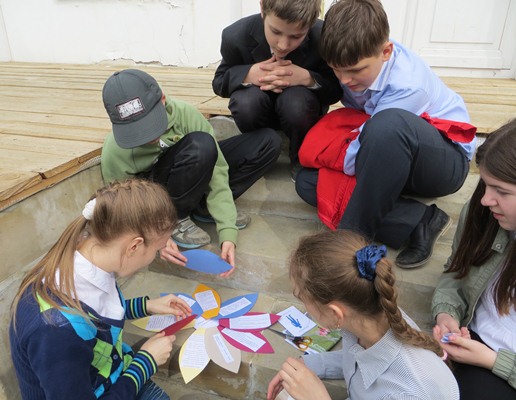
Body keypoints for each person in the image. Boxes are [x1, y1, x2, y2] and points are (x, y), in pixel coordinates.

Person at [295, 0, 477, 268]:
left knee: (386, 125)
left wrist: (335, 160)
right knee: (308, 182)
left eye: (355, 70)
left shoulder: (409, 85)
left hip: (442, 162)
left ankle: (351, 244)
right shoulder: (353, 60)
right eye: (336, 69)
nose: (344, 80)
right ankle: (420, 220)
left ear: (386, 51)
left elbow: (364, 149)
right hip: (388, 154)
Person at [9, 179, 193, 399]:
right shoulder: (55, 332)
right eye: (157, 249)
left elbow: (94, 317)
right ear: (134, 246)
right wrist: (145, 363)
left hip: (112, 377)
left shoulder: (89, 256)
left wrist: (145, 306)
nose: (154, 257)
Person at [101, 69, 281, 263]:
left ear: (162, 100)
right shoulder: (115, 149)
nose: (148, 135)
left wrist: (227, 229)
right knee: (198, 147)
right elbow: (123, 205)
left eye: (151, 123)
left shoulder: (185, 115)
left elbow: (217, 172)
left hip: (191, 168)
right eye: (136, 131)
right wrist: (157, 234)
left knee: (266, 142)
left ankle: (206, 208)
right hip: (157, 196)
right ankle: (175, 219)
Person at [267, 230, 459, 400]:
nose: (304, 306)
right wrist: (309, 364)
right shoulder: (369, 316)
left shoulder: (408, 393)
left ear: (335, 313)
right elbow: (358, 359)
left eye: (301, 297)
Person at [432, 118, 516, 399]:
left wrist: (492, 361)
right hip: (476, 343)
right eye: (485, 184)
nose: (485, 199)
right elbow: (456, 270)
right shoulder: (484, 212)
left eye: (501, 191)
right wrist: (447, 314)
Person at [212, 0, 342, 181]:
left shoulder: (323, 38)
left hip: (300, 110)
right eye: (275, 31)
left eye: (296, 36)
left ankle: (301, 158)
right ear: (262, 9)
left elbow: (336, 90)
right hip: (255, 107)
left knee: (296, 103)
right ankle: (257, 151)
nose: (283, 45)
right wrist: (248, 74)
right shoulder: (235, 35)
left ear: (311, 23)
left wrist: (307, 79)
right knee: (246, 103)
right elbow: (219, 83)